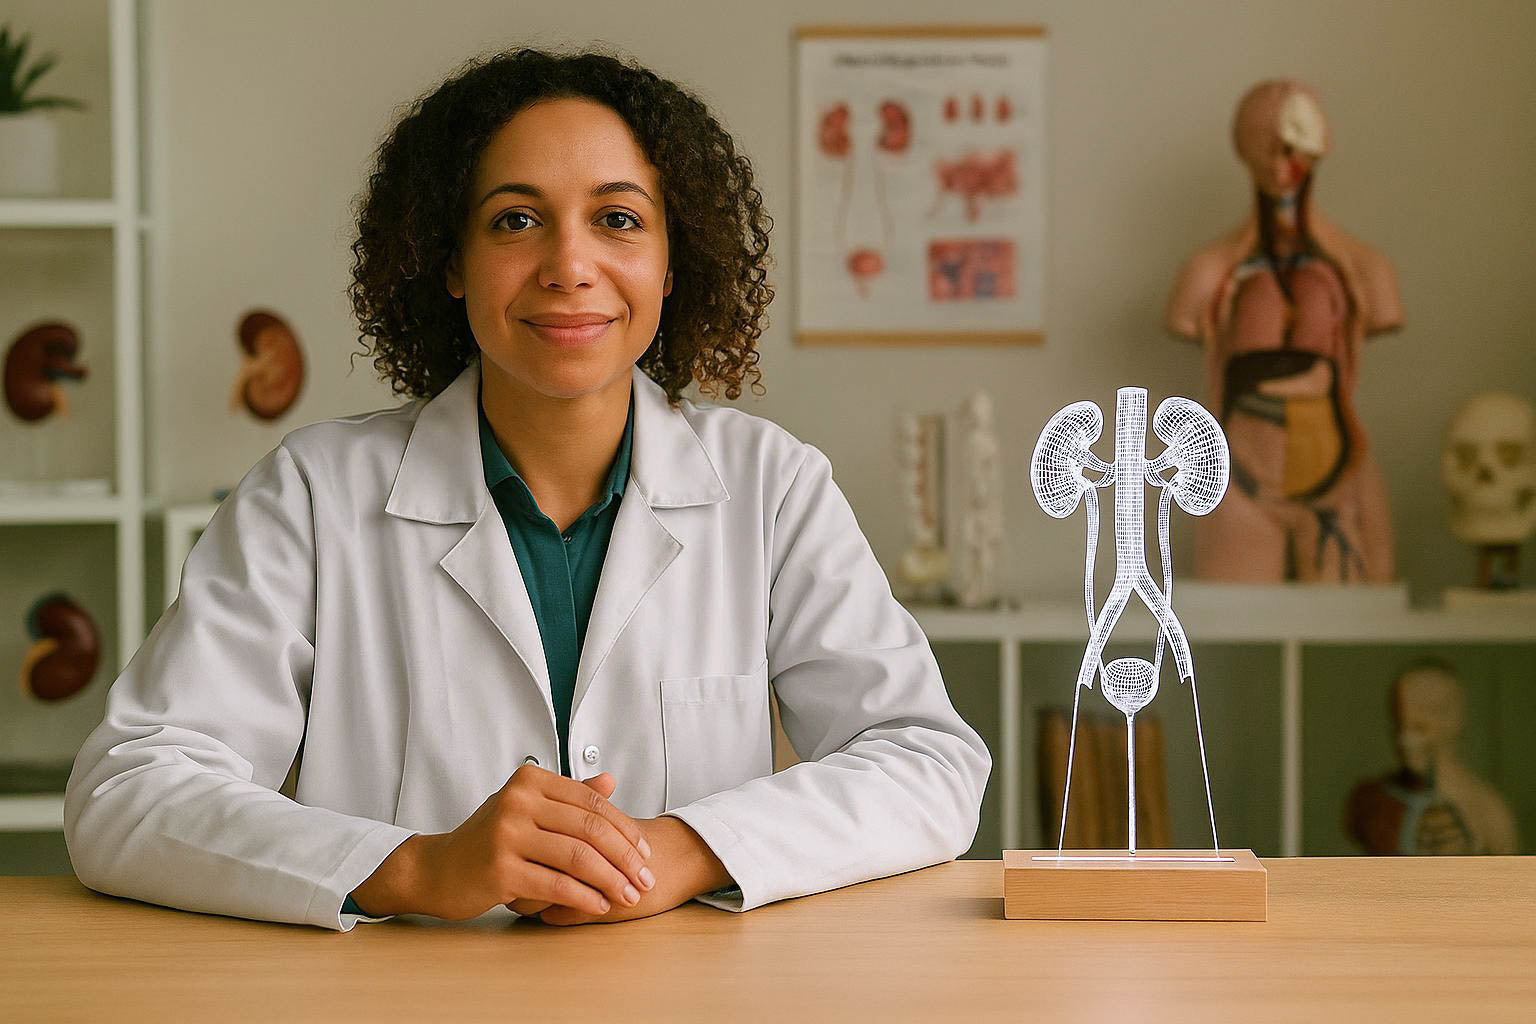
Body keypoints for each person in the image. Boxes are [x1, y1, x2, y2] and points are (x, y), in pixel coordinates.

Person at [62, 46, 991, 931]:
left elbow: (929, 761)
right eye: (516, 219)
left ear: (674, 264)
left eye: (618, 219)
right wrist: (416, 869)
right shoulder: (311, 495)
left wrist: (686, 850)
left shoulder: (772, 487)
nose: (569, 265)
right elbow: (128, 791)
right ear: (451, 263)